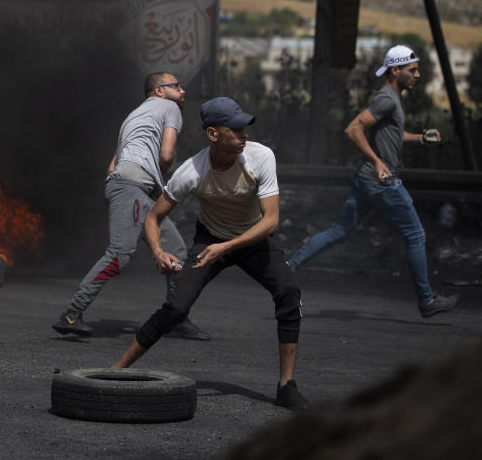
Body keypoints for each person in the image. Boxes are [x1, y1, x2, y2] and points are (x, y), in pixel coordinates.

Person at [112, 97, 310, 411]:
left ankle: (287, 386)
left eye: (245, 127)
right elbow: (152, 218)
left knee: (288, 292)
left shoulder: (261, 157)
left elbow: (271, 221)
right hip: (210, 239)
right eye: (235, 129)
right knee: (176, 308)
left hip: (253, 239)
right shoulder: (191, 171)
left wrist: (228, 247)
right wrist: (158, 252)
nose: (244, 134)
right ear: (213, 134)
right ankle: (114, 372)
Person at [287, 45, 459, 318]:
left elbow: (390, 135)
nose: (418, 75)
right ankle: (427, 300)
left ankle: (288, 268)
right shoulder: (387, 99)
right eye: (412, 70)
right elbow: (353, 129)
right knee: (416, 235)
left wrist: (419, 138)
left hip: (365, 179)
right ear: (395, 70)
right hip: (380, 181)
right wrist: (378, 162)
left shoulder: (391, 98)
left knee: (339, 231)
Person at [52, 72, 209, 340]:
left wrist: (124, 186)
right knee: (120, 252)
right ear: (159, 91)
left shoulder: (133, 117)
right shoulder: (169, 107)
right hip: (134, 188)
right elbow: (167, 155)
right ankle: (72, 312)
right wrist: (153, 179)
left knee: (176, 250)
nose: (183, 91)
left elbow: (113, 164)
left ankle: (176, 318)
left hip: (132, 188)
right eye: (176, 86)